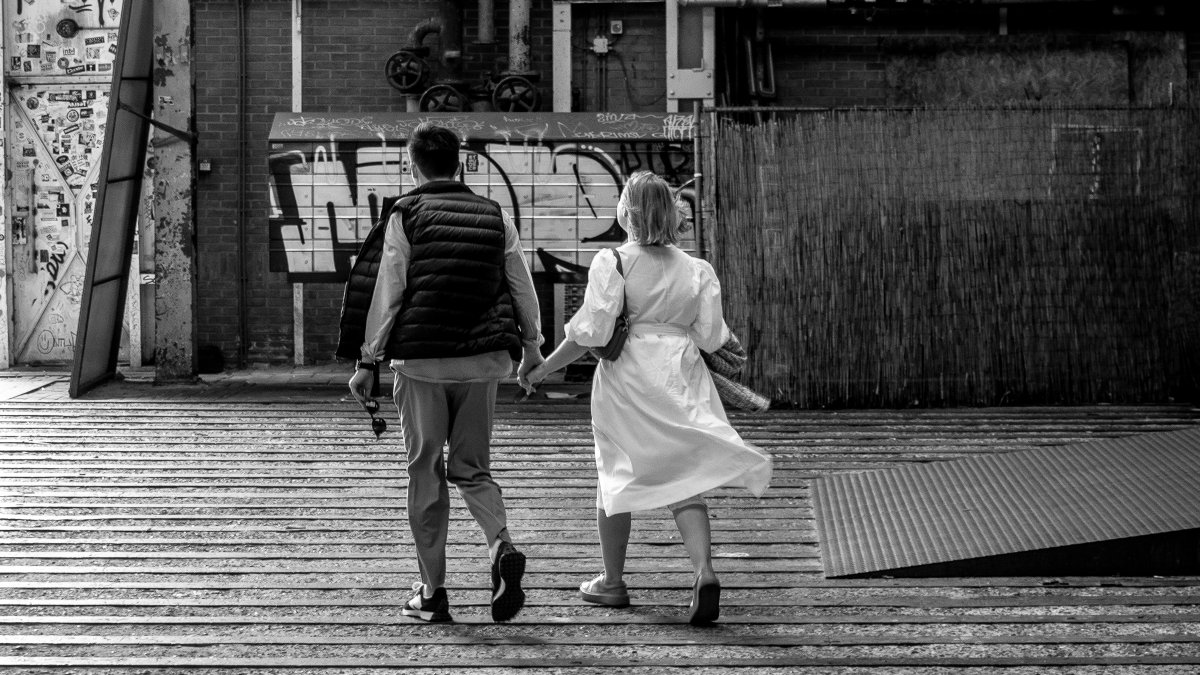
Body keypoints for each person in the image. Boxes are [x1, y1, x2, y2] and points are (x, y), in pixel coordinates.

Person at [520, 171, 771, 625]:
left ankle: (612, 582)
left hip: (627, 380)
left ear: (626, 210)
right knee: (686, 475)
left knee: (614, 472)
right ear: (672, 213)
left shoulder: (612, 261)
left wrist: (541, 369)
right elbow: (712, 336)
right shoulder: (697, 269)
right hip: (680, 375)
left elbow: (590, 333)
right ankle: (704, 571)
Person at [346, 123, 544, 623]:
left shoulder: (405, 214)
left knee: (426, 471)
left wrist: (368, 360)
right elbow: (521, 286)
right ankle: (501, 544)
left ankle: (433, 594)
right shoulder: (495, 215)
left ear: (412, 164)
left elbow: (389, 291)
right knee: (473, 469)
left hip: (421, 364)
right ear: (459, 164)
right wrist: (532, 347)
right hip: (483, 366)